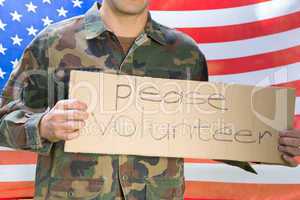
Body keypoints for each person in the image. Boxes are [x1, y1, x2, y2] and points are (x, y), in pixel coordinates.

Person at [0, 0, 299, 199]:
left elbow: (202, 131)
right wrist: (41, 126)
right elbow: (4, 116)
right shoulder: (54, 42)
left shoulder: (185, 53)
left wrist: (273, 142)